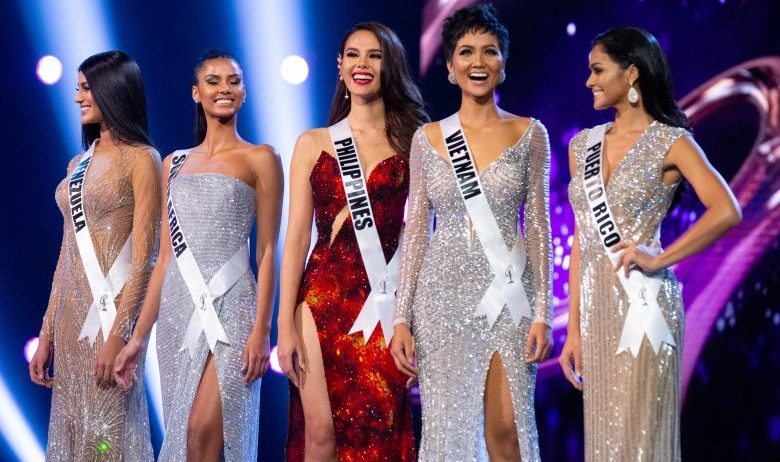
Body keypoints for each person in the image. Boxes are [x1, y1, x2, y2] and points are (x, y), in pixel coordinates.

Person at [559, 26, 742, 461]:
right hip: (596, 312)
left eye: (598, 70)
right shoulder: (582, 146)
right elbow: (583, 240)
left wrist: (661, 259)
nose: (589, 81)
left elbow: (727, 209)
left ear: (632, 73)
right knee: (605, 443)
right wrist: (574, 331)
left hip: (644, 307)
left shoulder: (670, 141)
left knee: (640, 441)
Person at [391, 4, 553, 461]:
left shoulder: (530, 133)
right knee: (449, 432)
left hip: (509, 294)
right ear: (449, 66)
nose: (478, 62)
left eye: (489, 51)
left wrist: (543, 310)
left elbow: (538, 225)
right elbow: (416, 231)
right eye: (466, 52)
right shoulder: (427, 138)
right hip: (441, 299)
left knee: (507, 430)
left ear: (503, 63)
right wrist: (402, 316)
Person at [113, 49, 283, 461]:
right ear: (196, 92)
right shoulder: (173, 163)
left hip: (233, 306)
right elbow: (164, 261)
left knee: (201, 431)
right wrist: (137, 338)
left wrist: (262, 330)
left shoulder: (261, 158)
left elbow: (266, 251)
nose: (224, 88)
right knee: (184, 438)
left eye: (233, 81)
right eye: (213, 81)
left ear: (244, 92)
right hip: (177, 310)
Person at [278, 22, 427, 461]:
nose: (363, 64)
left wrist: (414, 316)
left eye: (374, 55)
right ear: (340, 65)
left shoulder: (415, 143)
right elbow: (296, 239)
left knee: (379, 429)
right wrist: (283, 324)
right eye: (354, 55)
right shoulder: (312, 143)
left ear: (389, 66)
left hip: (385, 300)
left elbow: (421, 234)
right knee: (320, 434)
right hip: (320, 299)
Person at [28, 50, 158, 461]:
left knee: (106, 440)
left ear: (112, 90)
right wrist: (47, 334)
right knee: (74, 438)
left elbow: (147, 259)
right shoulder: (77, 164)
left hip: (109, 320)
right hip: (70, 325)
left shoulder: (142, 159)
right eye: (78, 88)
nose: (77, 98)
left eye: (86, 89)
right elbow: (66, 255)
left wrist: (120, 335)